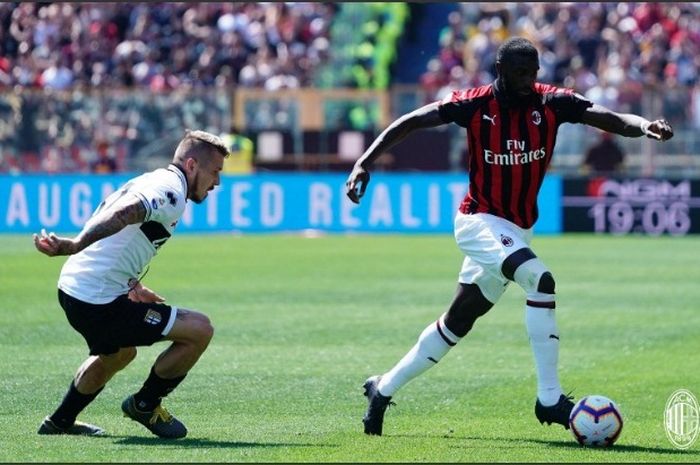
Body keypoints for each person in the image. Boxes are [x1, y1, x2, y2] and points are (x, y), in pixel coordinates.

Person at [345, 37, 673, 436]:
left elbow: (605, 116)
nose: (529, 80)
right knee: (540, 278)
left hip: (516, 229)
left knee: (459, 321)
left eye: (534, 72)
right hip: (477, 221)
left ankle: (382, 388)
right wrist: (364, 162)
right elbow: (412, 120)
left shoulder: (551, 102)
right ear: (500, 71)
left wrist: (644, 126)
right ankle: (549, 399)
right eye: (521, 73)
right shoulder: (474, 104)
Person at [33, 130, 229, 439]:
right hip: (96, 298)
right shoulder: (172, 192)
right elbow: (124, 214)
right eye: (215, 172)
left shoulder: (154, 179)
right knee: (199, 330)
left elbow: (125, 235)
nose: (217, 182)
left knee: (120, 353)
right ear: (192, 165)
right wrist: (76, 243)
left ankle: (59, 422)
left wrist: (131, 284)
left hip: (77, 287)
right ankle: (146, 405)